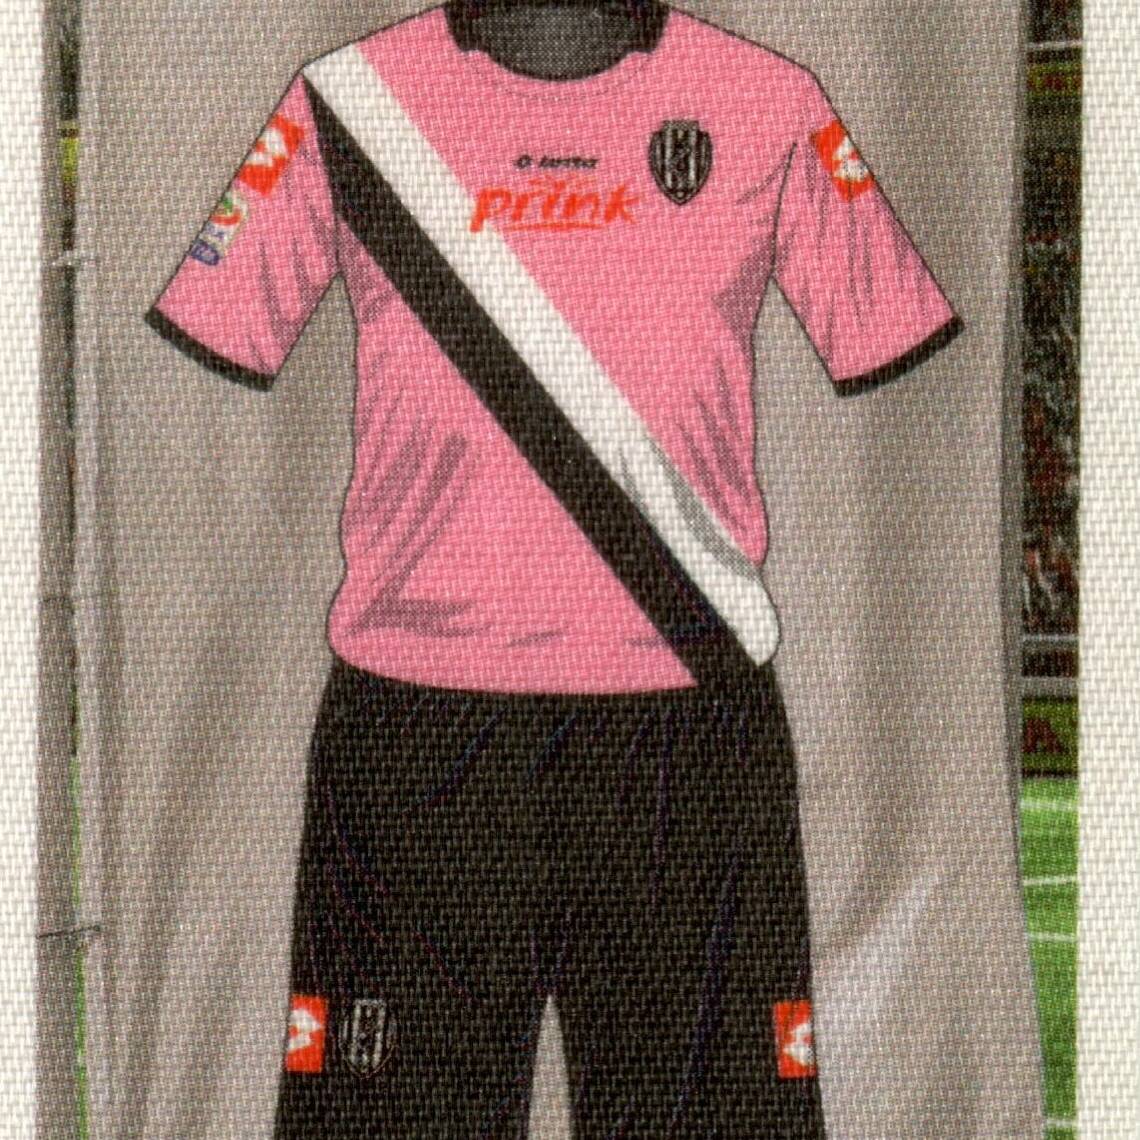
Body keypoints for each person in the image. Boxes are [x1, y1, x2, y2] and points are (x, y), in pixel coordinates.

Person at [144, 2, 960, 1134]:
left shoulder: (769, 104)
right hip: (417, 743)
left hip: (686, 744)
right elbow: (227, 315)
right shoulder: (346, 102)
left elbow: (880, 324)